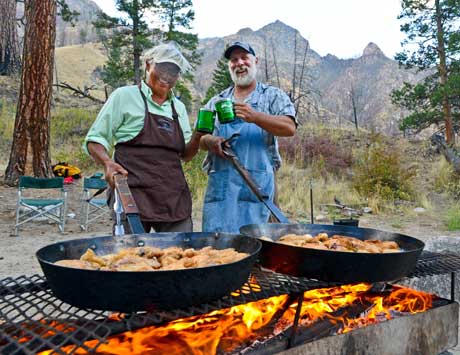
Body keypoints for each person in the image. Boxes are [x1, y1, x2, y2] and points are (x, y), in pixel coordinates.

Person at [83, 42, 203, 234]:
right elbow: (95, 138)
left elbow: (186, 155)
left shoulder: (178, 108)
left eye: (173, 72)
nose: (166, 76)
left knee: (181, 257)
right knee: (131, 258)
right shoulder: (124, 96)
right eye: (162, 68)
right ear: (148, 65)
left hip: (172, 195)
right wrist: (107, 163)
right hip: (132, 193)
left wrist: (198, 136)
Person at [200, 41, 297, 233]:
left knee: (260, 243)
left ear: (255, 61)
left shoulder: (272, 96)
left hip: (258, 184)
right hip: (222, 186)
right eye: (234, 60)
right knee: (217, 245)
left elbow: (289, 127)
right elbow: (200, 138)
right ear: (229, 66)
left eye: (245, 57)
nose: (239, 63)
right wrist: (210, 141)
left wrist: (256, 117)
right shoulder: (217, 101)